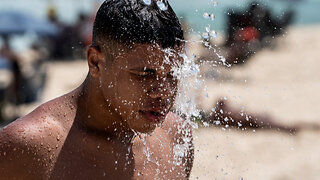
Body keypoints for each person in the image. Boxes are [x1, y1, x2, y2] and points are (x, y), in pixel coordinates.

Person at [0, 0, 194, 179]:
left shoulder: (175, 135)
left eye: (172, 74)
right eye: (143, 74)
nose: (163, 91)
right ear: (95, 63)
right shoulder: (26, 146)